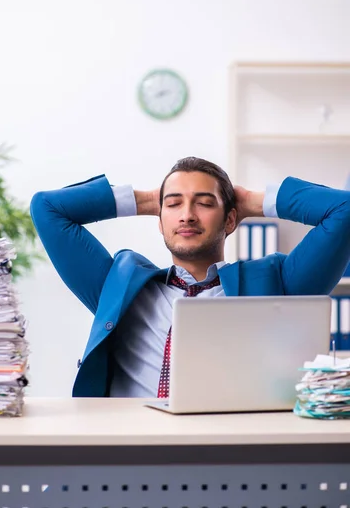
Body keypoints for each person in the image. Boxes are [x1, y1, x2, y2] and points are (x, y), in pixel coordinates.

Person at [30, 157, 350, 398]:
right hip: (128, 456)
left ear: (230, 220)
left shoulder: (276, 284)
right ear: (159, 219)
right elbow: (47, 208)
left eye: (205, 203)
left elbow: (343, 209)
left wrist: (251, 201)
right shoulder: (118, 284)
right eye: (173, 204)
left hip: (230, 460)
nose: (187, 214)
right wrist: (146, 200)